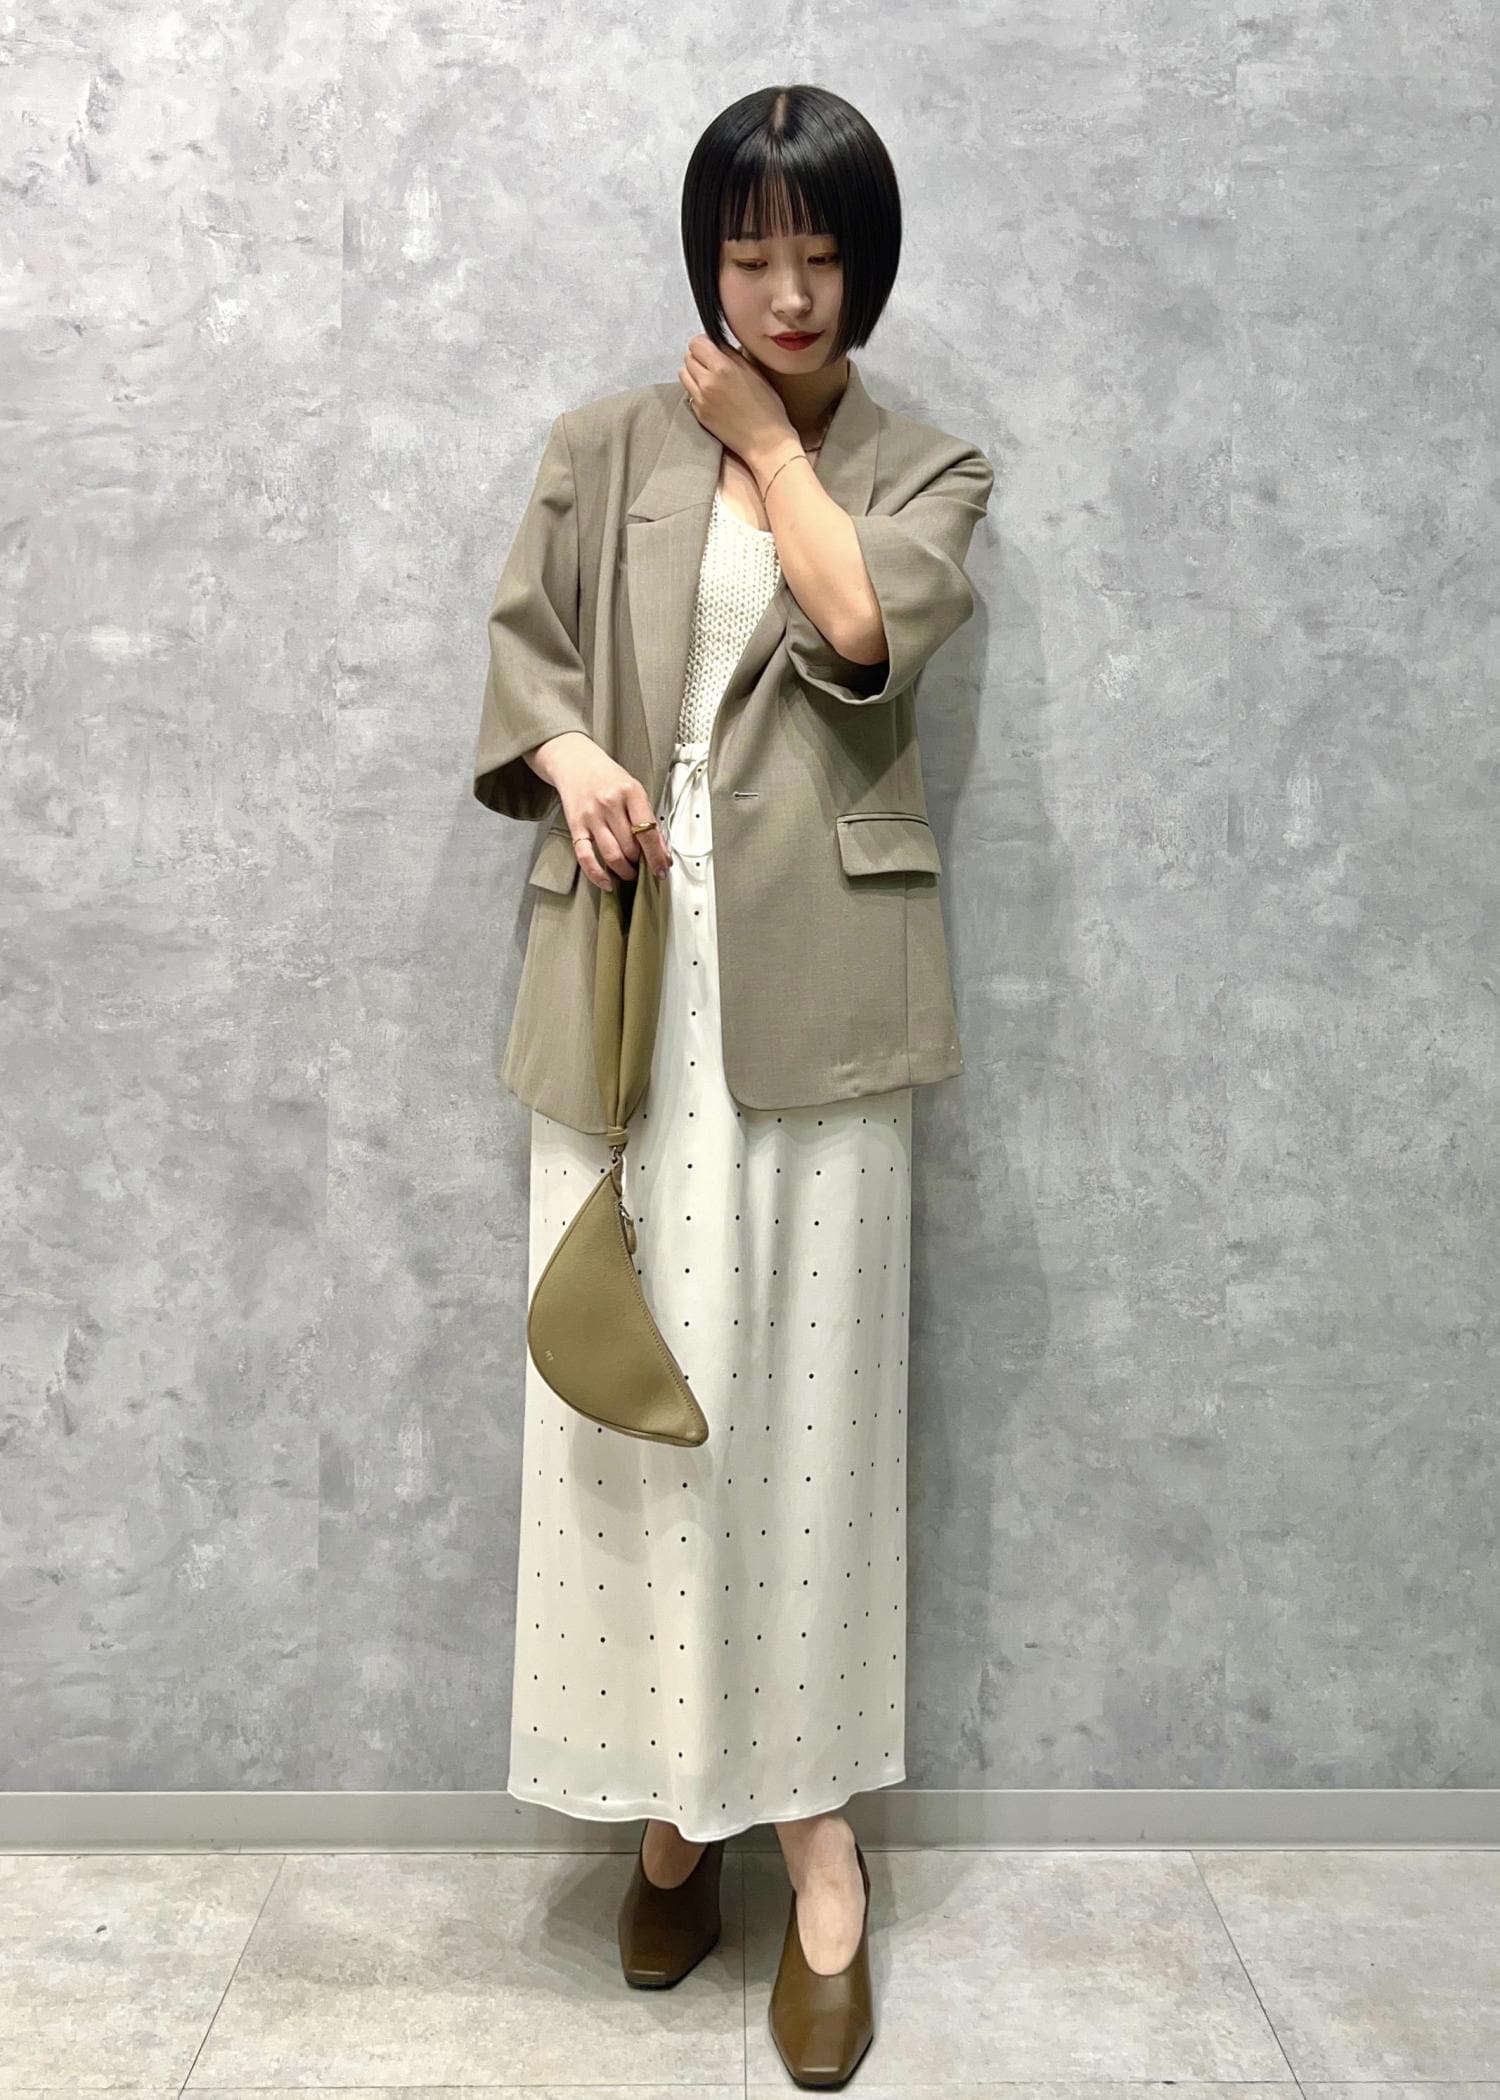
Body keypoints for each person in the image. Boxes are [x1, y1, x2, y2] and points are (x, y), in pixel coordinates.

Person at [473, 83, 994, 2088]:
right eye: (751, 251)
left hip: (823, 990)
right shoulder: (599, 446)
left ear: (867, 266)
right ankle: (669, 1818)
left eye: (821, 256)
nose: (785, 290)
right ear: (705, 252)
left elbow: (862, 628)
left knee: (807, 1410)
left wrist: (774, 450)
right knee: (636, 1401)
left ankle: (818, 1847)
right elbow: (525, 658)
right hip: (624, 974)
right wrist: (570, 758)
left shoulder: (923, 466)